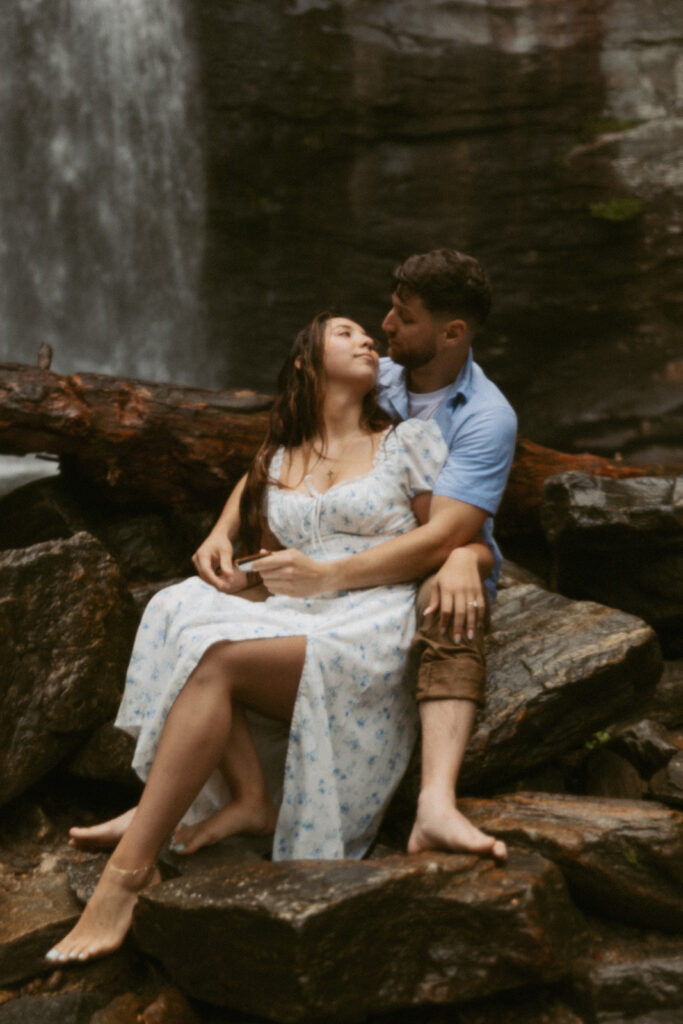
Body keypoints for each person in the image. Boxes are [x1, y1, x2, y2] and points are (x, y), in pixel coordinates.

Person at [48, 311, 494, 964]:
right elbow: (265, 526)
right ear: (303, 360)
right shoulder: (281, 454)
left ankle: (130, 870)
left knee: (218, 661)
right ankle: (218, 800)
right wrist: (223, 544)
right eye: (345, 332)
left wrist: (460, 559)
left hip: (369, 623)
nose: (367, 338)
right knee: (182, 605)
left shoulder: (409, 442)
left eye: (369, 334)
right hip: (303, 611)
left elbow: (455, 536)